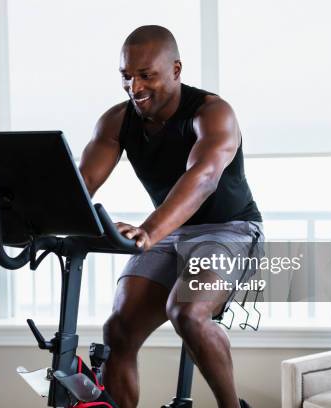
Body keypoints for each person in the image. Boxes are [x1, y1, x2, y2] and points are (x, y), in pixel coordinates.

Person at [78, 25, 263, 408]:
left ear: (176, 70)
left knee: (188, 312)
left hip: (230, 229)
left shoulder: (212, 113)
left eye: (147, 75)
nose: (135, 87)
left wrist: (149, 230)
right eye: (127, 77)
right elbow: (83, 184)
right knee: (119, 329)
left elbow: (204, 177)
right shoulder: (116, 122)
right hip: (170, 231)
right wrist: (27, 219)